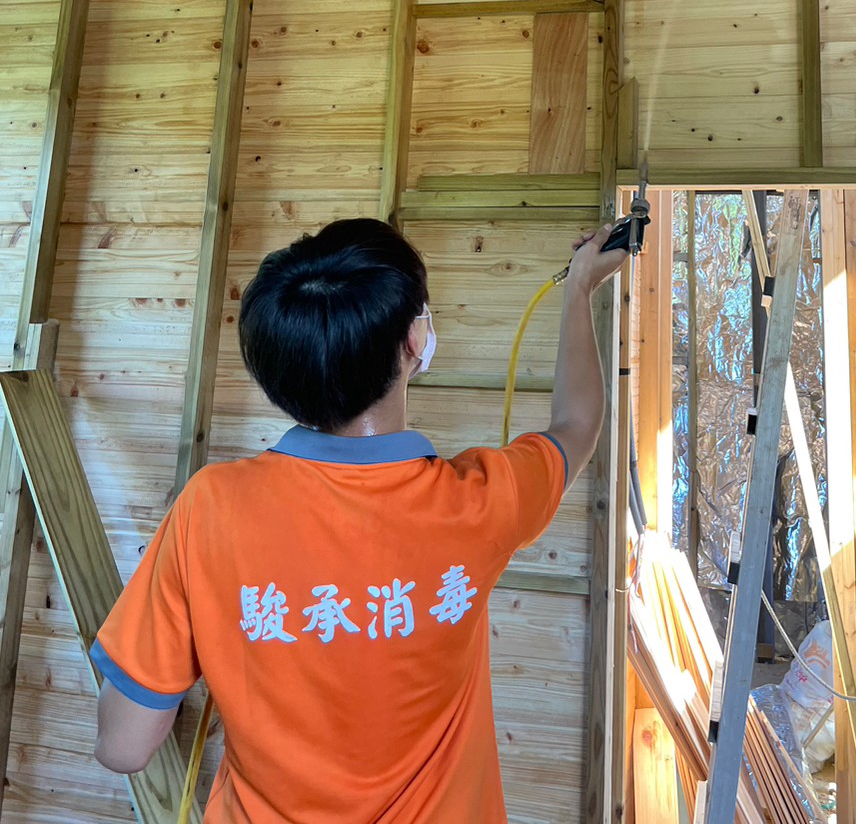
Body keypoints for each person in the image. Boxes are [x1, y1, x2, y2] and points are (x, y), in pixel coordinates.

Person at [91, 216, 623, 823]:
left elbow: (123, 745)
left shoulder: (208, 507)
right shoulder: (479, 502)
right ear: (414, 340)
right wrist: (580, 288)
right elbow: (577, 425)